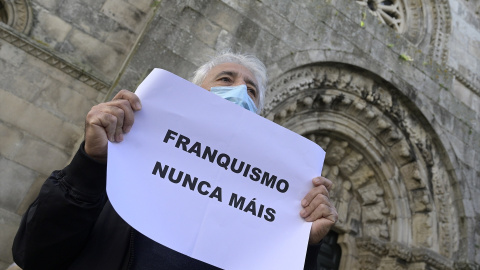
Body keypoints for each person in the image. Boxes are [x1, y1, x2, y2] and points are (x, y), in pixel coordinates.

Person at [12, 52, 338, 270]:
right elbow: (35, 254)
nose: (240, 91)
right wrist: (90, 165)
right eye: (225, 79)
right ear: (189, 92)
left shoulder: (270, 207)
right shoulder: (123, 160)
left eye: (251, 91)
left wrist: (300, 244)